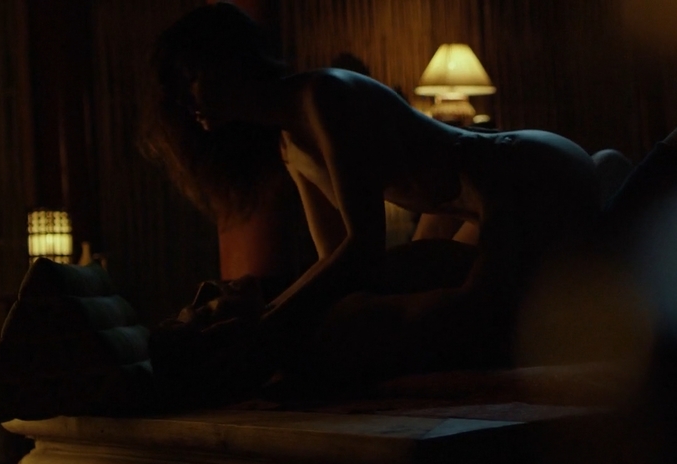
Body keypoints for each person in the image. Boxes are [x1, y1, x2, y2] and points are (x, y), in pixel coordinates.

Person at [143, 3, 600, 394]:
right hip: (483, 202)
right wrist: (268, 324)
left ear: (228, 62)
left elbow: (362, 247)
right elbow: (337, 260)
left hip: (525, 170)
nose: (185, 99)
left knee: (480, 315)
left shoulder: (323, 96)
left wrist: (265, 327)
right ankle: (604, 187)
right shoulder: (289, 143)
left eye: (191, 77)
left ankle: (608, 191)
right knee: (431, 302)